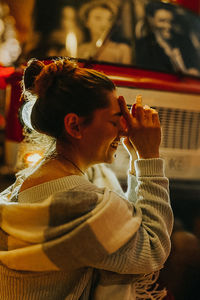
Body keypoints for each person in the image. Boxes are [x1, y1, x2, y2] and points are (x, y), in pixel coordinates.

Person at [0, 57, 173, 299]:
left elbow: (130, 228)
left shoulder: (25, 183)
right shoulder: (83, 204)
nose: (124, 129)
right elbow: (153, 249)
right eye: (115, 120)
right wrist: (149, 156)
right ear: (74, 126)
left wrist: (137, 157)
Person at [135, 1, 200, 76]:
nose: (168, 26)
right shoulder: (144, 45)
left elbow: (195, 65)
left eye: (171, 22)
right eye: (162, 21)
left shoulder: (184, 41)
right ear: (152, 21)